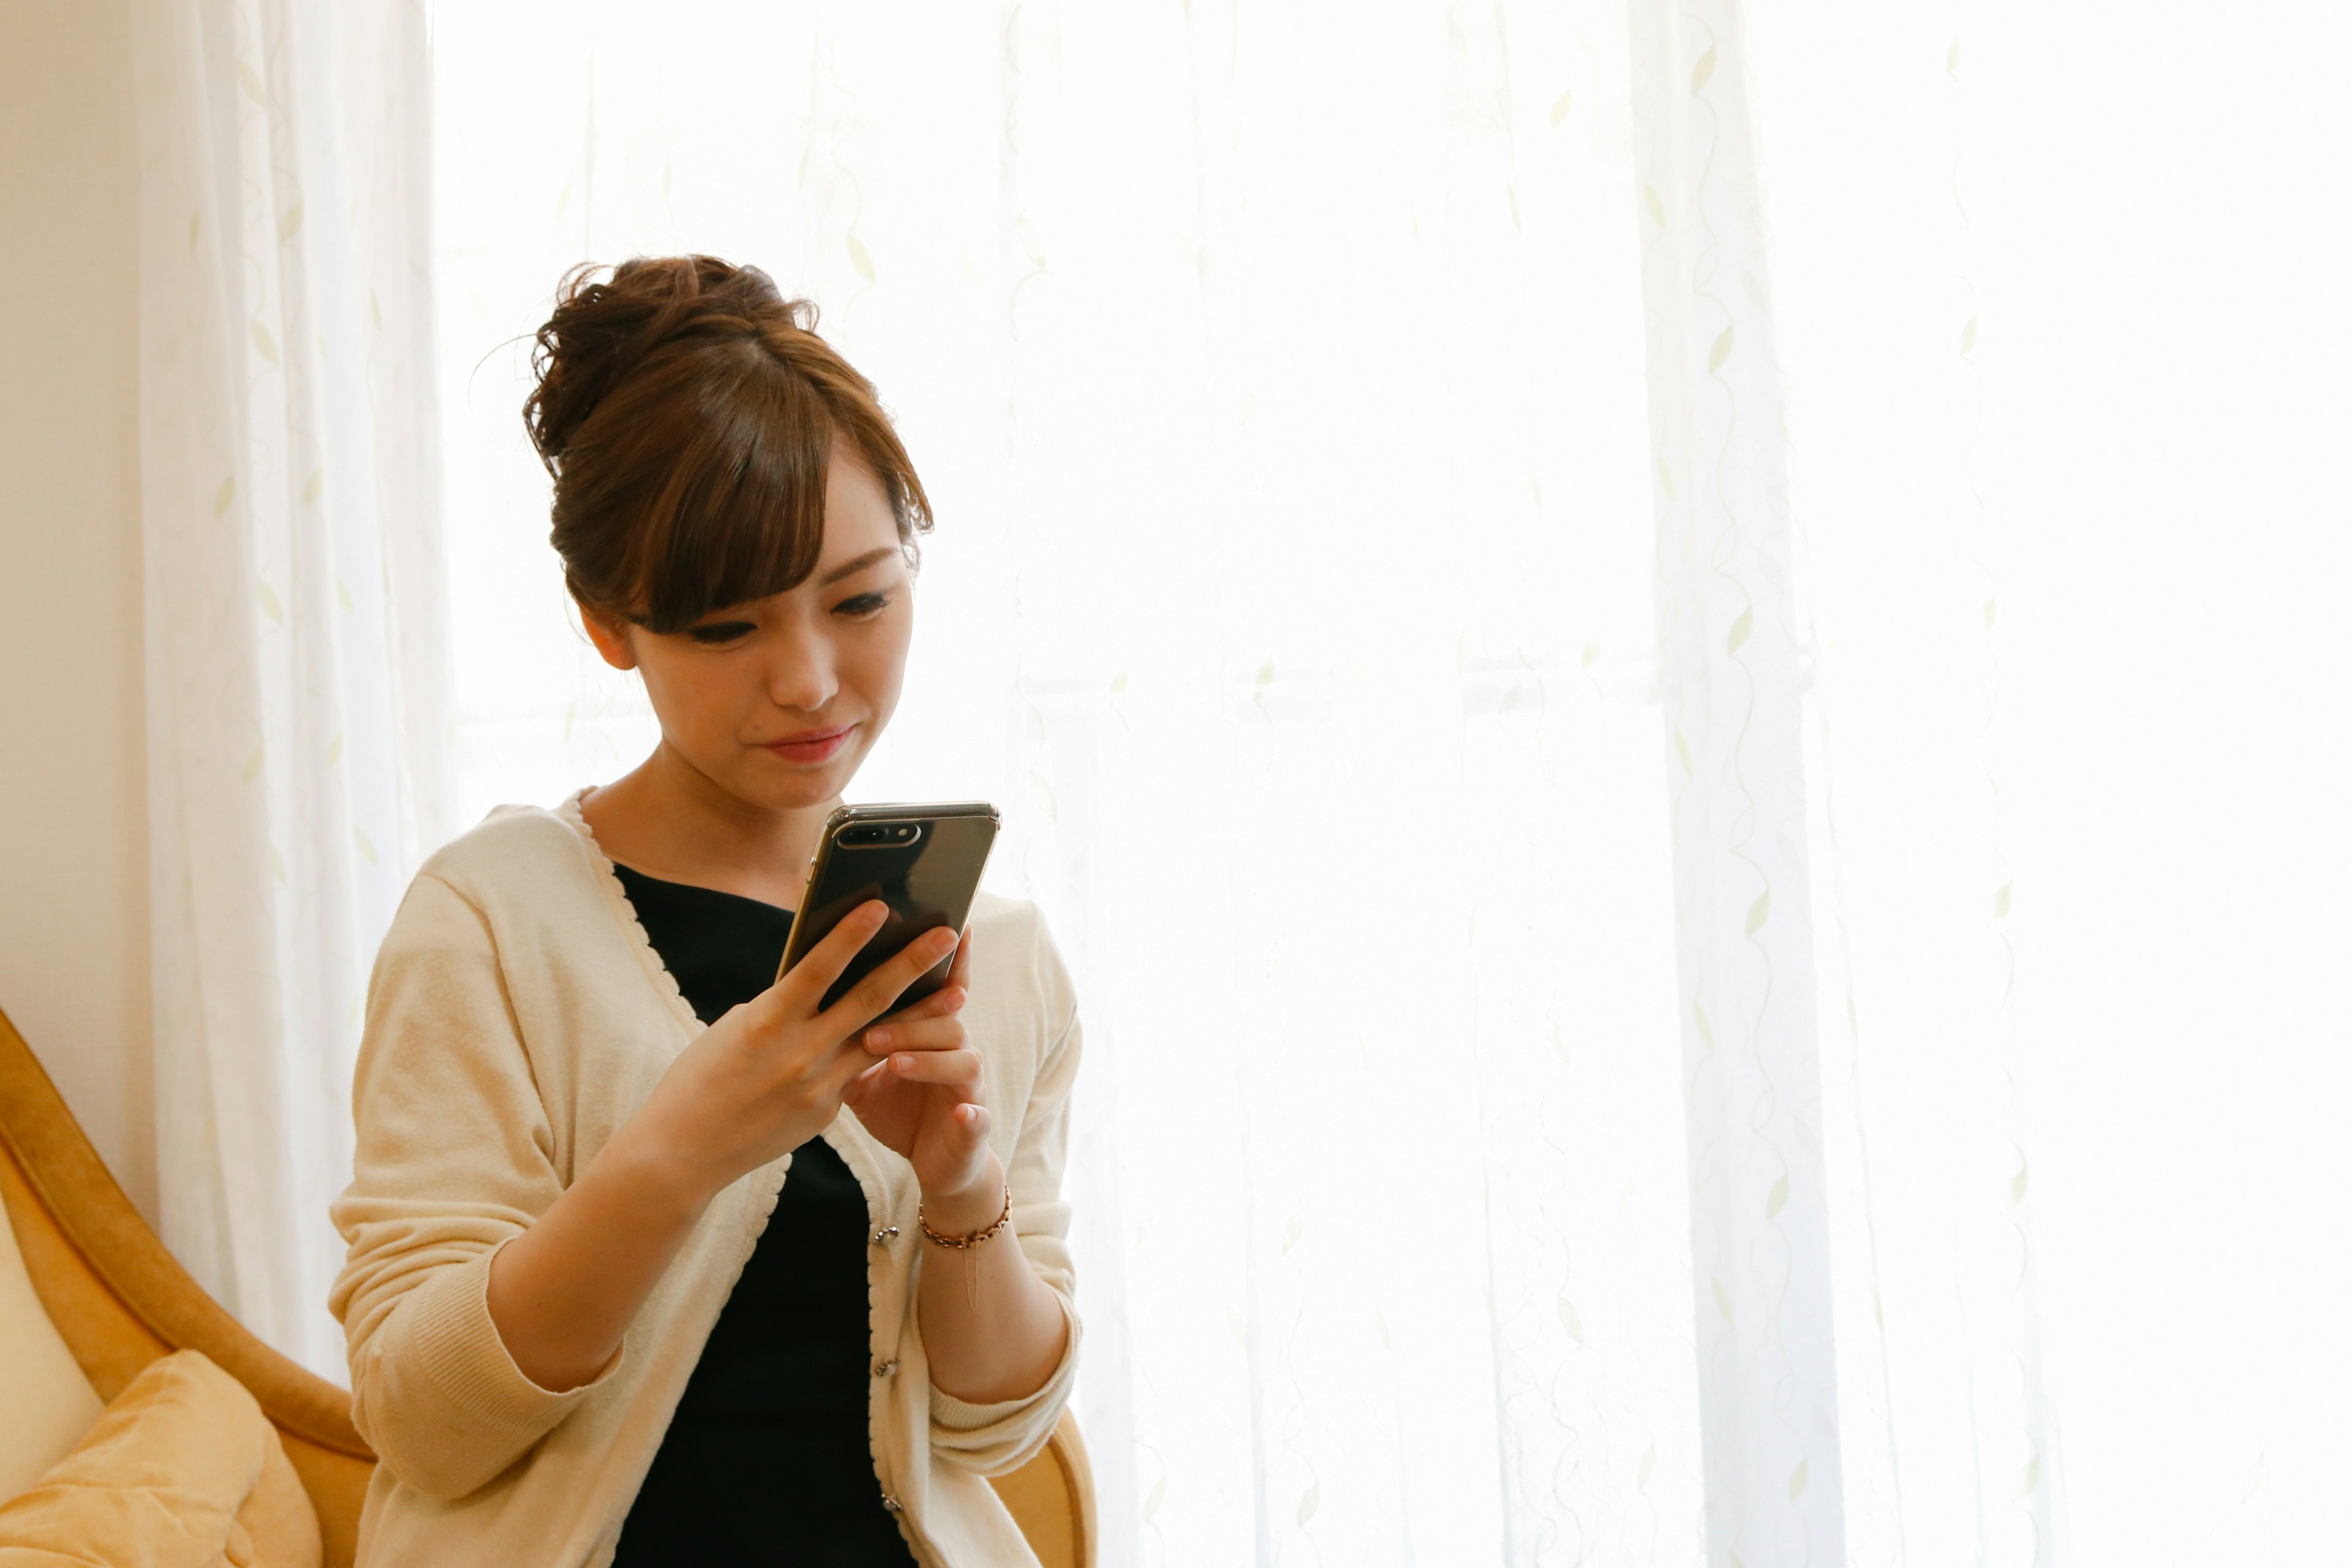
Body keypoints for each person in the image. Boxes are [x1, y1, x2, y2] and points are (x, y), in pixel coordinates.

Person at [329, 255, 1083, 1568]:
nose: (809, 680)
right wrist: (676, 1149)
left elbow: (998, 1428)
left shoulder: (997, 955)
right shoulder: (491, 920)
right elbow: (420, 1416)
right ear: (611, 626)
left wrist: (962, 1184)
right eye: (728, 627)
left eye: (861, 598)